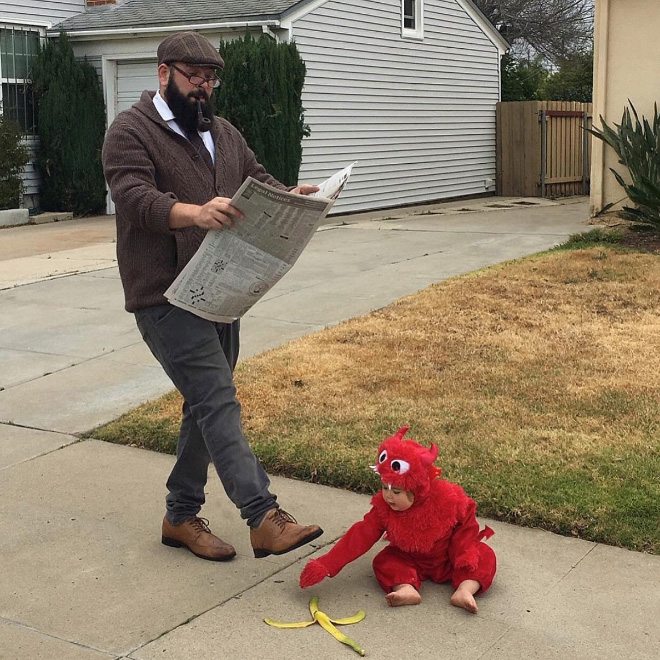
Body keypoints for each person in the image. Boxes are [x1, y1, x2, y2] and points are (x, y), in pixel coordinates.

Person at [102, 31, 323, 563]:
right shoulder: (130, 131)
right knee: (217, 400)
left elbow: (258, 180)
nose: (203, 87)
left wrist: (291, 199)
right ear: (163, 73)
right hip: (163, 296)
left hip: (219, 289)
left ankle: (179, 517)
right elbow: (136, 199)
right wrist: (195, 212)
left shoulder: (221, 133)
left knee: (204, 405)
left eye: (210, 79)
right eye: (193, 77)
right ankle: (263, 515)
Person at [300, 427, 496, 613]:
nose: (388, 496)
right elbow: (360, 536)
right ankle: (406, 587)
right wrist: (326, 564)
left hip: (448, 559)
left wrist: (462, 553)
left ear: (417, 489)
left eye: (396, 491)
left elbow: (467, 523)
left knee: (484, 555)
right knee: (385, 561)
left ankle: (465, 589)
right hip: (409, 559)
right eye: (385, 487)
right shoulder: (383, 509)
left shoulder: (447, 499)